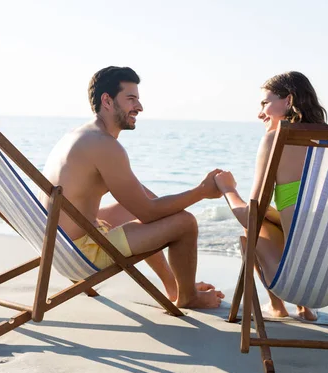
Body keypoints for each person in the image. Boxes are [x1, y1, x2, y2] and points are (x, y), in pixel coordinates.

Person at [40, 66, 225, 309]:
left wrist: (165, 210)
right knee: (185, 223)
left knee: (138, 202)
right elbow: (148, 213)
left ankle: (174, 286)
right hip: (80, 254)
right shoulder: (104, 145)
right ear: (107, 100)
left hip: (59, 244)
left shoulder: (79, 136)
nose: (139, 107)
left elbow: (140, 198)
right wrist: (202, 191)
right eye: (131, 99)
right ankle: (188, 297)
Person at [214, 71, 327, 320]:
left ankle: (278, 306)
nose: (260, 112)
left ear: (288, 101)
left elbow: (248, 215)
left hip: (296, 283)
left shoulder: (275, 140)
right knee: (280, 220)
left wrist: (228, 189)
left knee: (251, 229)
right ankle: (305, 309)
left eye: (265, 102)